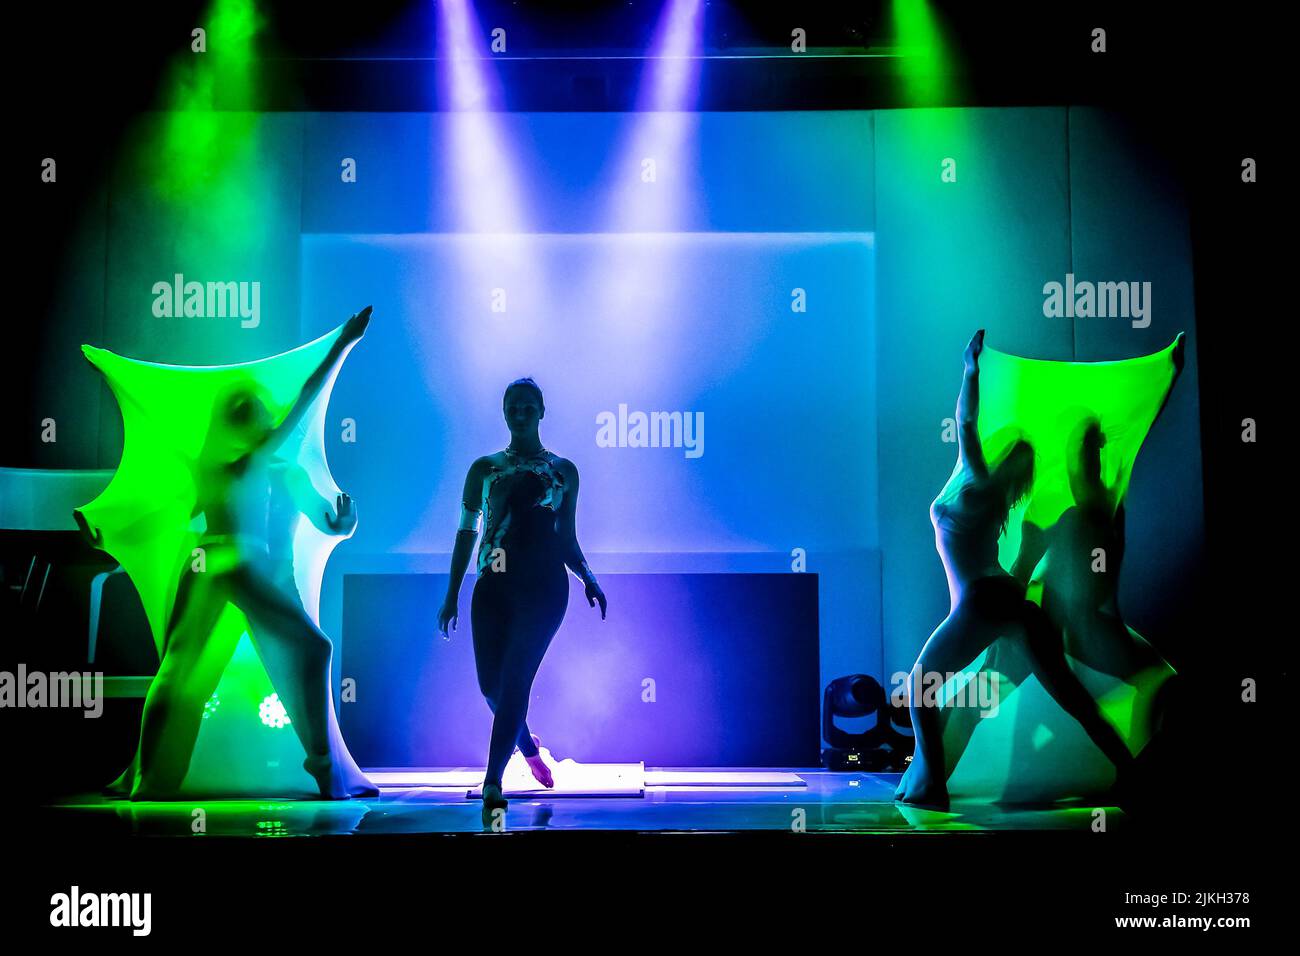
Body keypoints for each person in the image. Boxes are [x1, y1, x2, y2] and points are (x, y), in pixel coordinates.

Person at [105, 308, 378, 800]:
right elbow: (300, 408)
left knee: (180, 668)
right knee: (311, 649)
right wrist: (341, 346)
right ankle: (325, 772)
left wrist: (343, 523)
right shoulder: (250, 459)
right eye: (247, 411)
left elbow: (324, 519)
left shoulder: (243, 465)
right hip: (238, 561)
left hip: (206, 563)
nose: (257, 418)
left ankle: (145, 777)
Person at [895, 330, 1135, 810]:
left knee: (923, 683)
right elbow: (966, 425)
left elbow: (966, 420)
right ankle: (1133, 772)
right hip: (1009, 603)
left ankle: (932, 784)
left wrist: (971, 368)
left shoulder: (977, 477)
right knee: (1071, 696)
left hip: (984, 600)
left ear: (1002, 457)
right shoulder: (992, 497)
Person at [438, 378, 607, 822]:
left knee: (515, 682)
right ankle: (529, 747)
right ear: (504, 411)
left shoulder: (563, 471)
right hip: (492, 586)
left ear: (541, 410)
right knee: (490, 687)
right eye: (513, 404)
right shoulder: (484, 469)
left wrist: (588, 577)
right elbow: (465, 532)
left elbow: (566, 536)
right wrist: (452, 592)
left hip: (544, 588)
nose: (521, 410)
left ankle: (493, 779)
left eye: (528, 404)